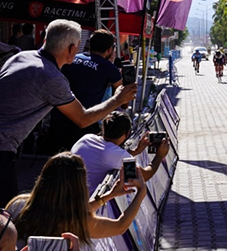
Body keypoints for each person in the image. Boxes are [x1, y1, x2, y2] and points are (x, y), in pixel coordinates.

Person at [0, 20, 137, 207]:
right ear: (73, 48)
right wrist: (118, 100)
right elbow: (82, 119)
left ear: (45, 39)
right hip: (3, 146)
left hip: (37, 136)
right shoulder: (51, 77)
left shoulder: (21, 56)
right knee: (6, 214)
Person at [10, 152, 147, 245]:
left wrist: (108, 196)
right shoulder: (77, 223)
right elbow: (119, 226)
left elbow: (71, 210)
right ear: (79, 186)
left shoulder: (18, 204)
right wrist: (141, 192)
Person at [45, 29, 124, 155]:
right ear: (109, 50)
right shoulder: (110, 68)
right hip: (86, 122)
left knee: (54, 160)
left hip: (59, 119)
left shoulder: (71, 59)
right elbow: (123, 100)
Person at [72, 111, 170, 193]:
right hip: (85, 204)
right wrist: (159, 156)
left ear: (103, 128)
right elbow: (143, 176)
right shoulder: (119, 156)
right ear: (127, 134)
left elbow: (106, 156)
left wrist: (135, 151)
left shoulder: (86, 138)